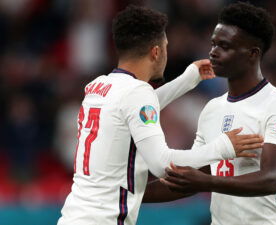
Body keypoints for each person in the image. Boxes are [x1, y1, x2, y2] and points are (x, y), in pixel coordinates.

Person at [57, 5, 263, 225]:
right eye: (165, 46)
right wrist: (223, 147)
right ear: (156, 52)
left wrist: (188, 79)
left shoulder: (98, 87)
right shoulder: (137, 93)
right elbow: (161, 164)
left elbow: (136, 107)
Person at [145, 2, 276, 225]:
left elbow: (271, 179)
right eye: (213, 44)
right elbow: (191, 176)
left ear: (252, 54)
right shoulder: (211, 109)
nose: (213, 52)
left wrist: (206, 182)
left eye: (224, 46)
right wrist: (128, 195)